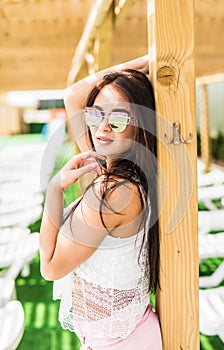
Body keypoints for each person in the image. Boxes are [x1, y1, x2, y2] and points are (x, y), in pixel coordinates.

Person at [39, 56, 162, 350]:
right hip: (125, 335)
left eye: (118, 118)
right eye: (94, 116)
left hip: (122, 342)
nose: (102, 129)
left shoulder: (112, 190)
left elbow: (50, 267)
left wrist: (54, 192)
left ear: (139, 126)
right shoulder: (120, 171)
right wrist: (146, 62)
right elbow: (73, 95)